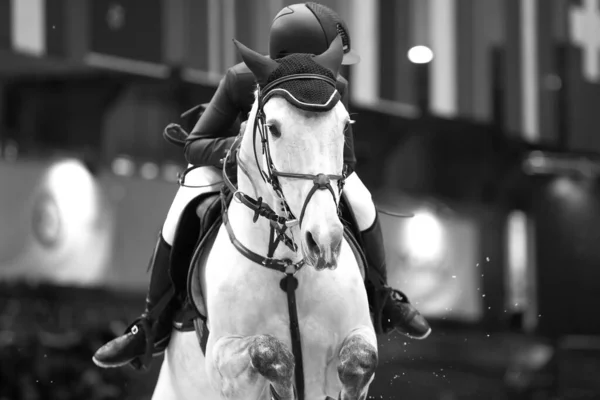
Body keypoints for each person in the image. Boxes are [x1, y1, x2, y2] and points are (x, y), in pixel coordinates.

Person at [93, 2, 431, 370]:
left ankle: (383, 296)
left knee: (361, 199)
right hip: (234, 169)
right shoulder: (241, 79)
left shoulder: (336, 85)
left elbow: (345, 158)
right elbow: (196, 142)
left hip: (305, 175)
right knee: (184, 201)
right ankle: (150, 322)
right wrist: (243, 151)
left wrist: (318, 166)